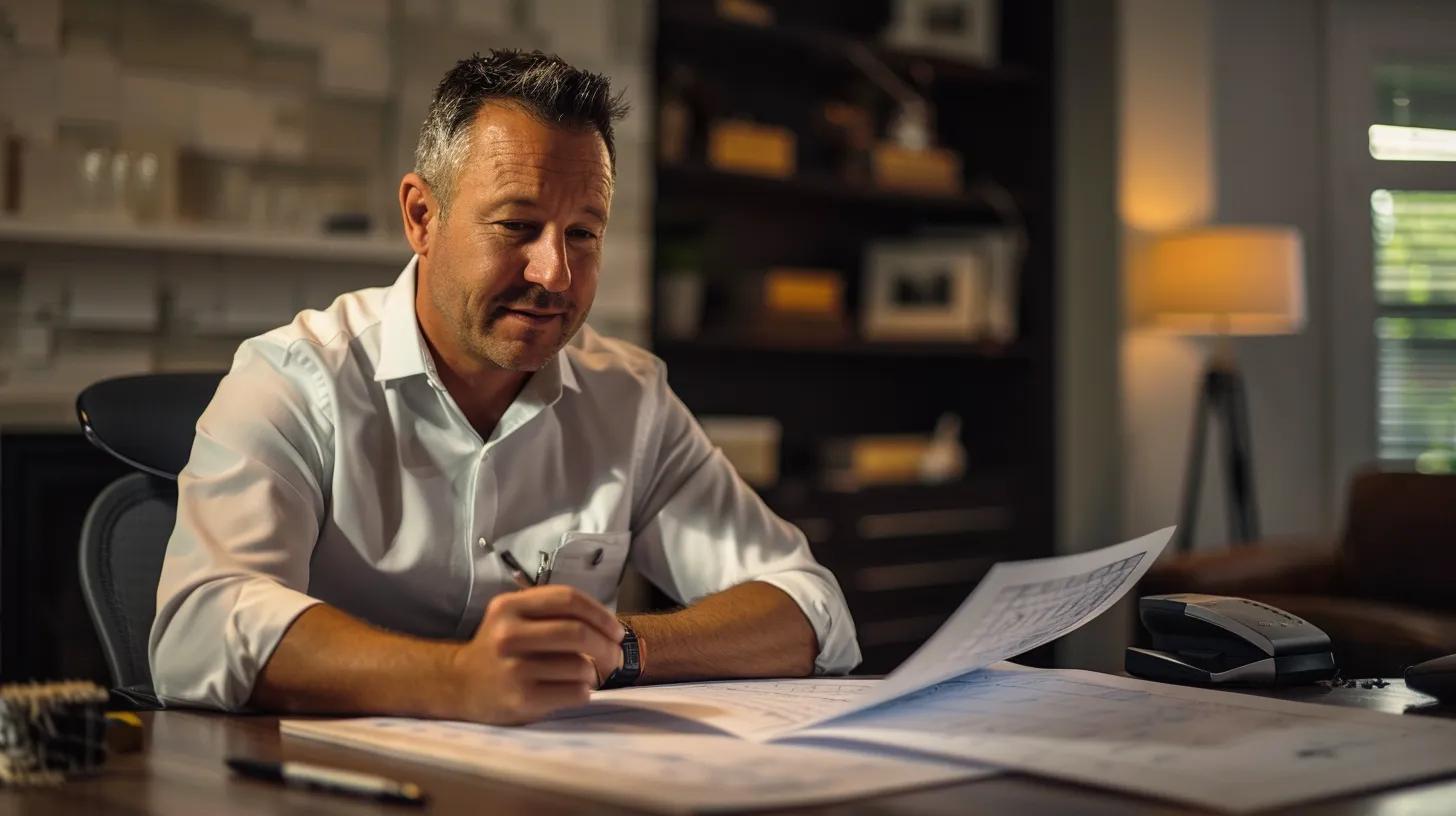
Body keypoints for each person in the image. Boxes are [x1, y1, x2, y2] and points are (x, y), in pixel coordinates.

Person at [149, 50, 861, 725]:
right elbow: (200, 628)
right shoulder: (293, 379)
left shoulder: (630, 399)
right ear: (421, 217)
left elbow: (810, 606)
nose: (554, 273)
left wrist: (618, 646)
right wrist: (455, 679)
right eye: (518, 225)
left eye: (583, 234)